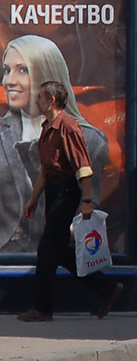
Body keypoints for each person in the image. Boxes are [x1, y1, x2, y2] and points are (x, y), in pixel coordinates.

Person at [16, 81, 122, 322]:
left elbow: (83, 167)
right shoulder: (48, 127)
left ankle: (42, 309)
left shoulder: (68, 127)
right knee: (59, 252)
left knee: (47, 249)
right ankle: (106, 288)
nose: (37, 101)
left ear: (52, 101)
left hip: (66, 191)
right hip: (53, 189)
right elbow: (45, 170)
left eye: (41, 97)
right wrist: (33, 199)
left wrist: (86, 200)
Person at [0, 35, 109, 254]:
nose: (9, 80)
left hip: (62, 239)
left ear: (46, 74)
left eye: (23, 70)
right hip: (7, 251)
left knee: (51, 264)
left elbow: (87, 189)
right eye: (6, 70)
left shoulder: (89, 139)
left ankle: (106, 287)